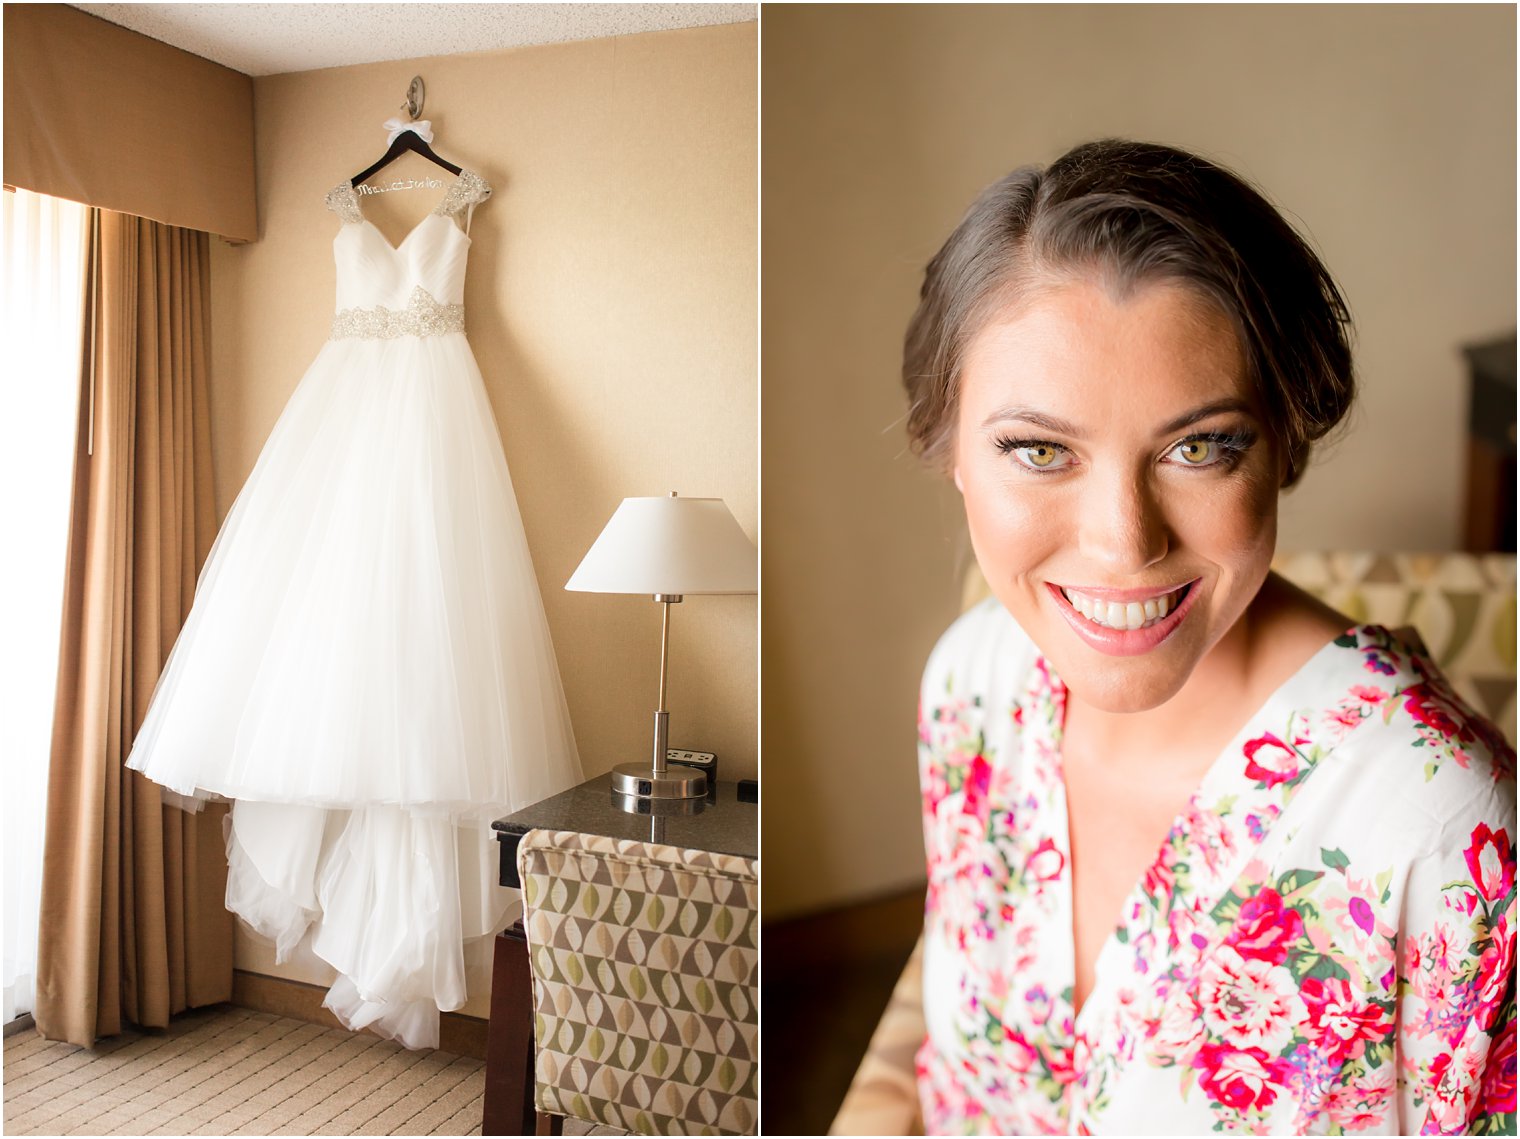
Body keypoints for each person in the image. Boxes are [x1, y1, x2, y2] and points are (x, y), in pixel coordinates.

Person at [905, 139, 1516, 1135]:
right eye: (1039, 449)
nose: (1123, 541)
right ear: (950, 449)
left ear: (1279, 441)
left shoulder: (1440, 824)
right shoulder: (966, 683)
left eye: (1198, 446)